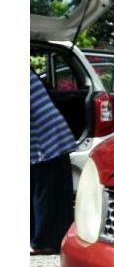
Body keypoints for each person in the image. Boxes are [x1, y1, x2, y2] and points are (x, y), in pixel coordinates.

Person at [30, 69, 77, 255]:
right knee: (56, 189)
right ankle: (61, 238)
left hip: (43, 137)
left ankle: (43, 242)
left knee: (45, 190)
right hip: (53, 131)